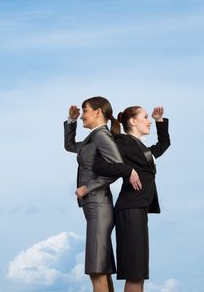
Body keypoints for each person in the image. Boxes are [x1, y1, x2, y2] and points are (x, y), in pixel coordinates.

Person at [89, 106, 170, 292]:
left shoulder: (142, 149)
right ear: (133, 121)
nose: (148, 120)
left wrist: (159, 121)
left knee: (139, 274)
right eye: (146, 117)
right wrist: (127, 171)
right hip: (130, 210)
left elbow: (163, 145)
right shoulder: (122, 142)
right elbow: (99, 165)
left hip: (139, 209)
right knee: (135, 273)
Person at [64, 96, 138, 292]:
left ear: (97, 112)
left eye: (84, 111)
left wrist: (88, 187)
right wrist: (70, 121)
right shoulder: (93, 137)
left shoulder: (102, 136)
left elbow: (117, 168)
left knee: (96, 268)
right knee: (100, 268)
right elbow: (70, 146)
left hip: (99, 205)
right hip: (94, 207)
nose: (82, 116)